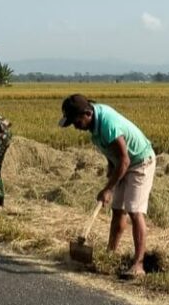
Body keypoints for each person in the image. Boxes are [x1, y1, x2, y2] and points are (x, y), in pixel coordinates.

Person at [60, 94, 156, 277]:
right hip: (123, 163)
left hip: (140, 162)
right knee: (118, 210)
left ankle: (139, 265)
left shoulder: (107, 124)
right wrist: (111, 170)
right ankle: (110, 254)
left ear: (87, 113)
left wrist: (108, 188)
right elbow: (114, 155)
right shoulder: (93, 127)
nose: (76, 126)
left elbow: (125, 159)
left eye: (76, 121)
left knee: (135, 211)